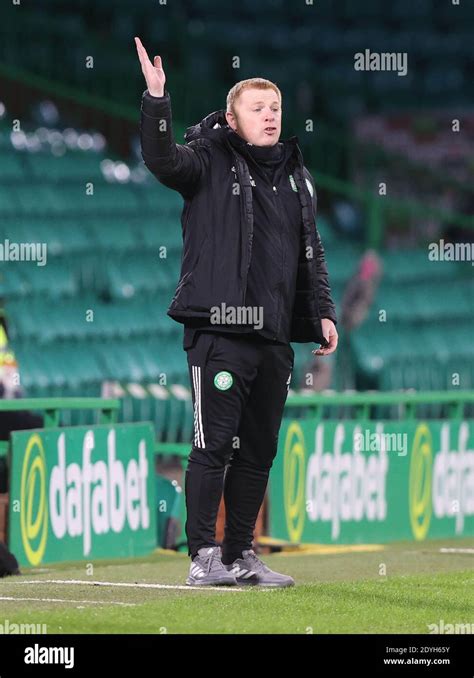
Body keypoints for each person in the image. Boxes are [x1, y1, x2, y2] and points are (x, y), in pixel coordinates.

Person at [135, 38, 338, 587]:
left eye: (275, 108)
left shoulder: (298, 178)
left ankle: (241, 553)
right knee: (212, 445)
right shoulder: (208, 158)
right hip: (220, 331)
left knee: (258, 452)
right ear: (232, 117)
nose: (270, 116)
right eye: (258, 108)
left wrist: (322, 311)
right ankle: (203, 556)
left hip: (274, 338)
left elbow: (310, 252)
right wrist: (157, 102)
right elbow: (161, 160)